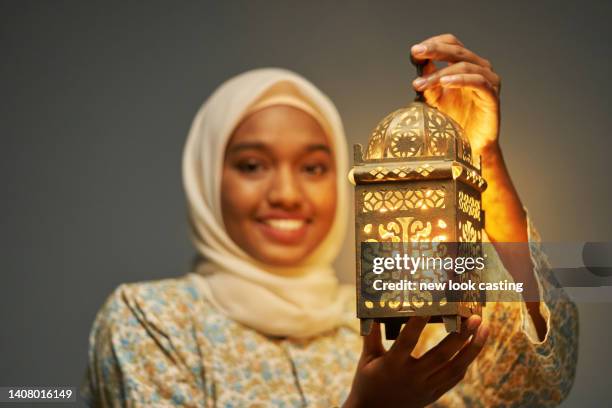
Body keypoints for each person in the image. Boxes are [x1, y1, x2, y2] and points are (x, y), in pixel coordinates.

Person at [81, 34, 578, 407]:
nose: (286, 194)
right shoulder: (153, 323)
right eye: (252, 165)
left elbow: (532, 387)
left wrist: (485, 162)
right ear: (208, 177)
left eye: (314, 167)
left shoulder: (408, 323)